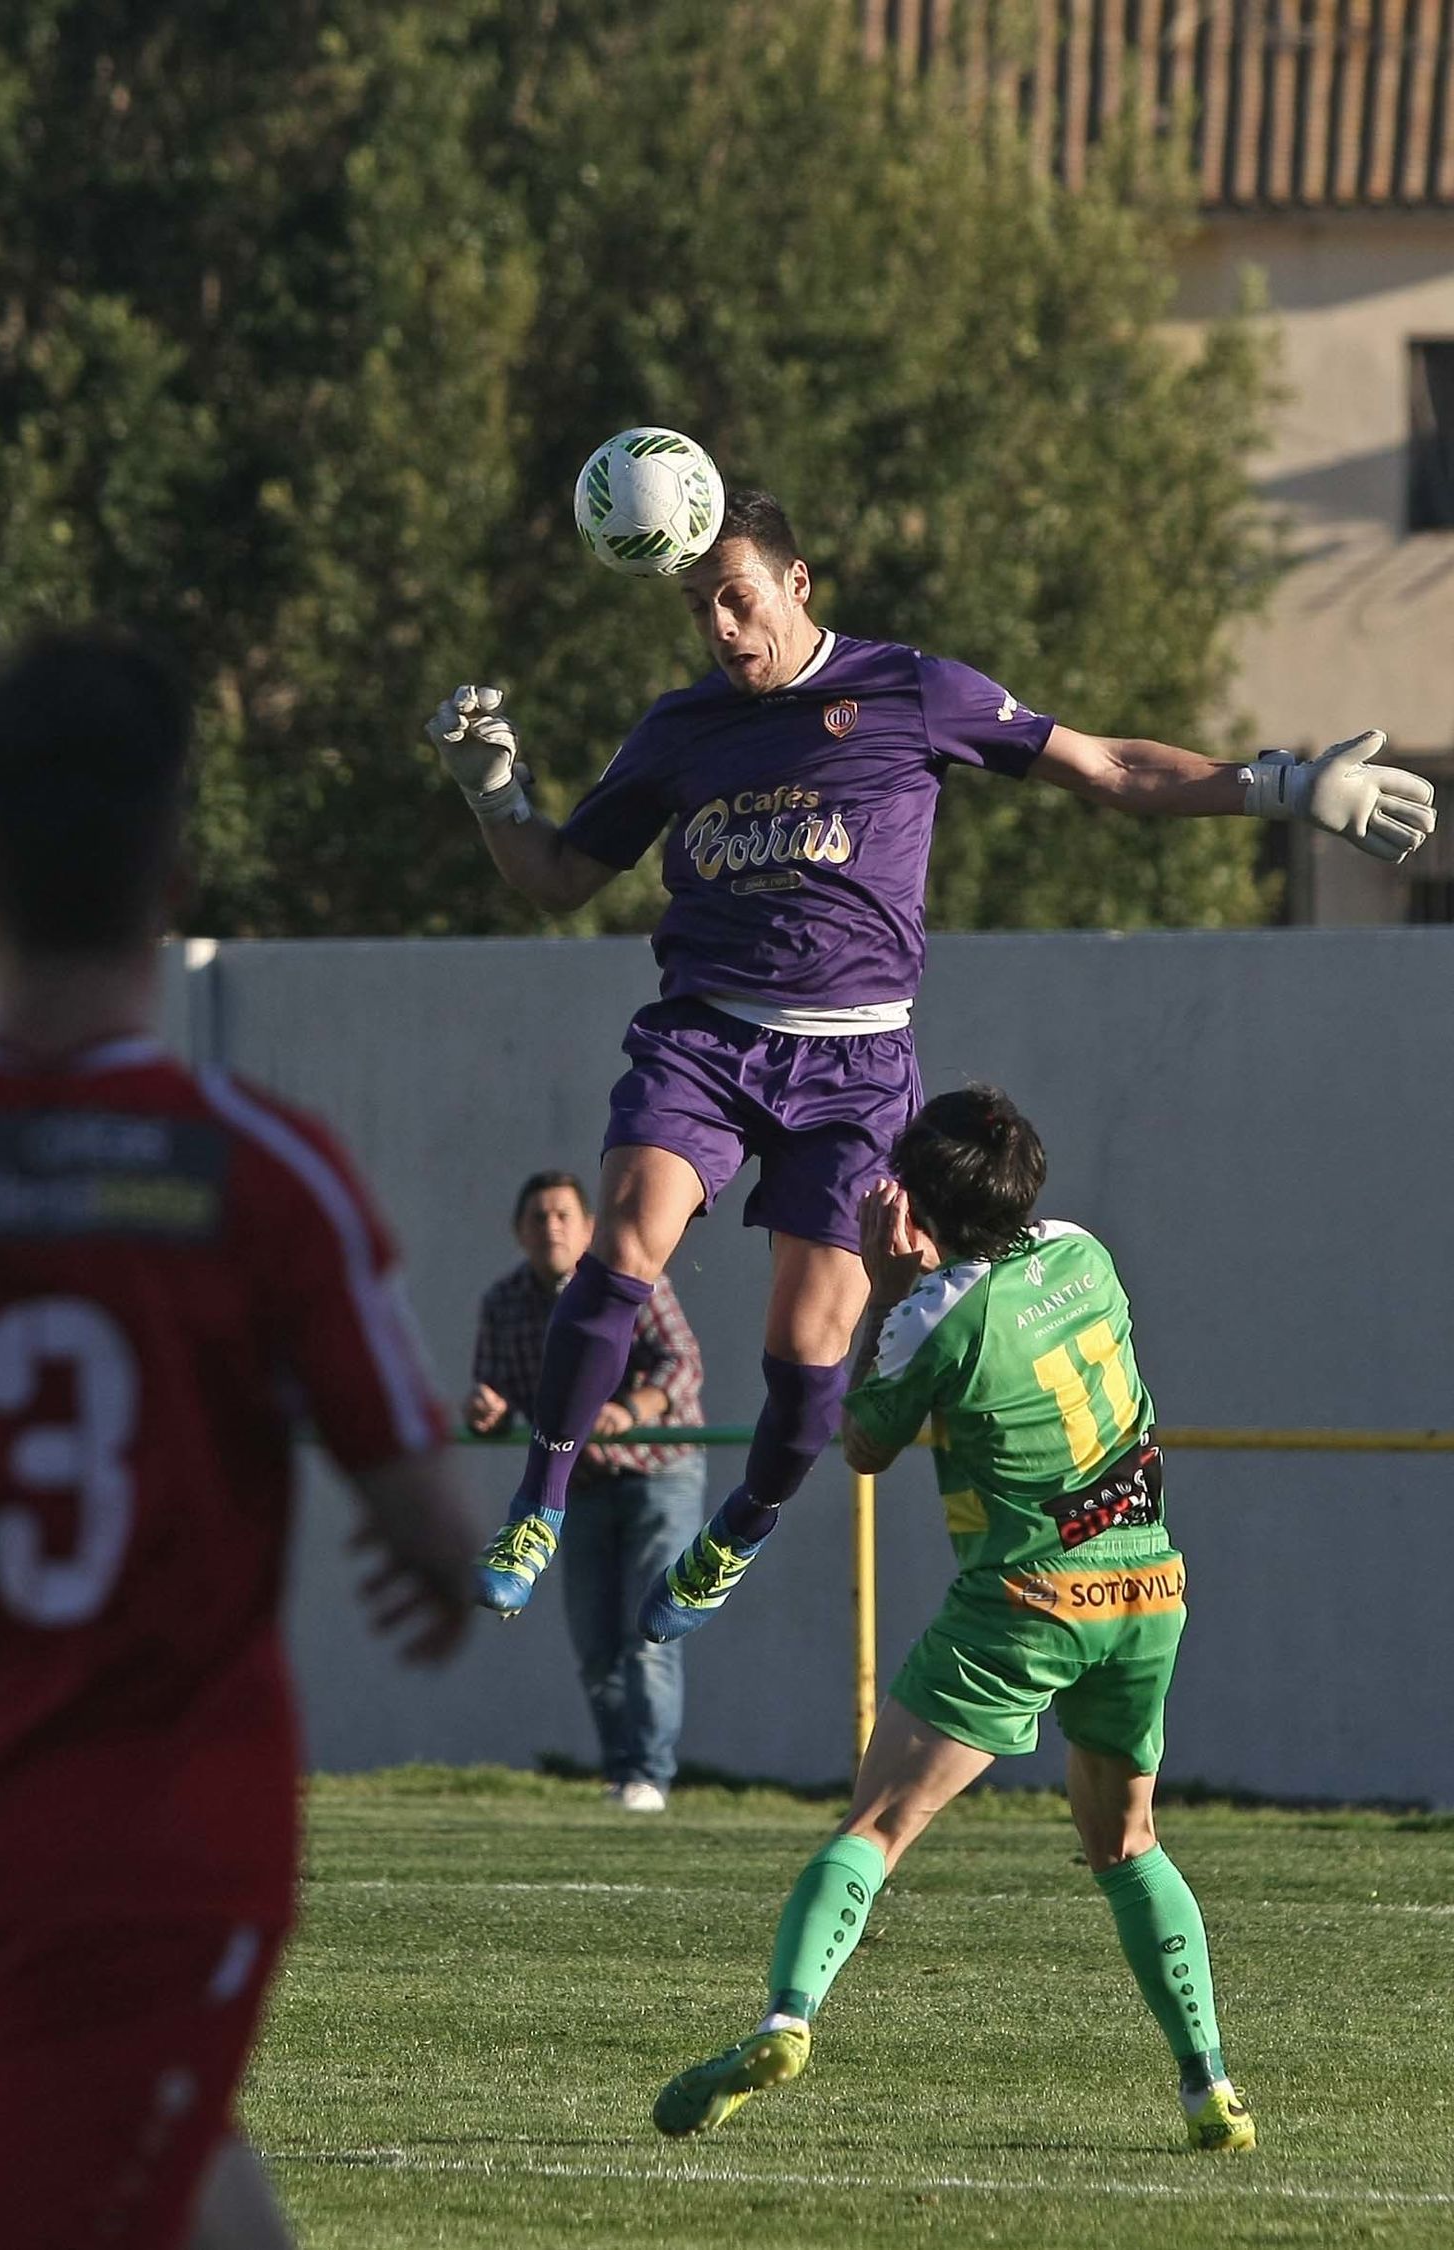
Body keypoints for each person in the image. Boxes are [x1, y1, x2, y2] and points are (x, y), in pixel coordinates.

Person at [426, 486, 1435, 1643]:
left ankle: (742, 1526)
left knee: (807, 1361)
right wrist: (490, 792)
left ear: (797, 586)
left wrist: (1289, 786)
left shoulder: (909, 690)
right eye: (700, 606)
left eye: (737, 598)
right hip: (704, 1038)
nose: (719, 626)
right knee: (622, 1241)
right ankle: (537, 1504)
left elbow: (1108, 768)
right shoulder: (678, 729)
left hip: (855, 1067)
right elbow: (555, 877)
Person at [0, 629, 476, 2250]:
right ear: (177, 872)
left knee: (203, 2200)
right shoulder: (260, 1172)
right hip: (143, 1872)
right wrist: (430, 1560)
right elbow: (432, 1525)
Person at [651, 1085, 1254, 2155]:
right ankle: (1207, 2083)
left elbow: (864, 1442)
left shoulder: (933, 1320)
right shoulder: (1084, 1252)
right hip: (1147, 1588)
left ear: (917, 1205)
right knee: (1125, 1842)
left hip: (1025, 1603)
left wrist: (884, 1292)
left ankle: (785, 2020)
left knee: (876, 1828)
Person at [467, 1170, 705, 1812]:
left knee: (647, 1630)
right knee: (595, 1641)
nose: (552, 1227)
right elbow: (496, 1396)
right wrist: (484, 1410)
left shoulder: (632, 1280)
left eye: (564, 1215)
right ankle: (622, 1772)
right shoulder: (503, 1303)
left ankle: (650, 1776)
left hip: (658, 1468)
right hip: (573, 1487)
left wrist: (631, 1408)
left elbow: (682, 1361)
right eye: (538, 1217)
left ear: (590, 1227)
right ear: (519, 1232)